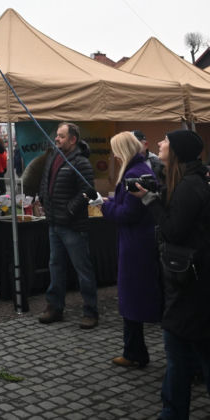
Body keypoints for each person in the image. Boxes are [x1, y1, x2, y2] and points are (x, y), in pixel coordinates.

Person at [134, 129, 210, 420]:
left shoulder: (190, 186)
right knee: (198, 350)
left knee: (178, 354)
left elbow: (173, 230)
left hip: (189, 284)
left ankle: (173, 413)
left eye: (165, 140)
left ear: (176, 150)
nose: (158, 144)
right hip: (191, 281)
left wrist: (150, 202)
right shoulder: (186, 181)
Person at [101, 131, 160, 368]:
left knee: (132, 299)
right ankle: (133, 350)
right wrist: (111, 203)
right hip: (136, 242)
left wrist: (104, 208)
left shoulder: (134, 173)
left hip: (136, 245)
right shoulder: (137, 170)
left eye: (115, 149)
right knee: (132, 299)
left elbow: (129, 213)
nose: (113, 155)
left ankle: (135, 352)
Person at [38, 121, 99, 329]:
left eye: (62, 136)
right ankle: (55, 307)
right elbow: (46, 182)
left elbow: (89, 191)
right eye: (57, 135)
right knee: (56, 266)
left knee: (83, 269)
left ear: (73, 140)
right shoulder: (54, 157)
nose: (57, 139)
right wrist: (44, 200)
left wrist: (70, 210)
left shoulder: (80, 162)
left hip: (73, 226)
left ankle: (90, 311)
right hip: (54, 223)